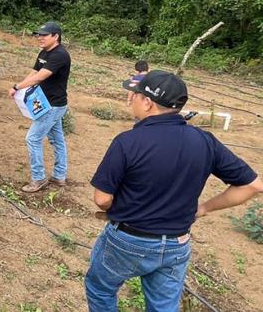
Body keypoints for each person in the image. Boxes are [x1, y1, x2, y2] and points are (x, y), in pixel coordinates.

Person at [85, 70, 263, 311]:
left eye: (135, 95)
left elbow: (102, 199)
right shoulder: (205, 140)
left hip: (128, 240)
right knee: (164, 307)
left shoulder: (127, 142)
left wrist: (113, 206)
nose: (131, 99)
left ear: (147, 102)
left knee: (101, 289)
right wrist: (205, 208)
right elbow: (253, 185)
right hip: (177, 244)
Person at [8, 21, 71, 193]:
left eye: (44, 35)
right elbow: (34, 72)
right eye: (39, 34)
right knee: (57, 140)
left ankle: (39, 178)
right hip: (46, 102)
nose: (40, 38)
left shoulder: (60, 55)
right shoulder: (45, 52)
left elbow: (40, 77)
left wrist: (17, 87)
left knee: (32, 138)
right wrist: (23, 87)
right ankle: (59, 176)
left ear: (55, 36)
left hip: (53, 106)